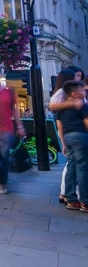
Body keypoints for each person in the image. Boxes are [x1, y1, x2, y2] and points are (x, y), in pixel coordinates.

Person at [0, 64, 25, 197]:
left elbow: (13, 109)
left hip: (5, 129)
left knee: (3, 157)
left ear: (0, 74)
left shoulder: (8, 91)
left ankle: (2, 182)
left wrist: (19, 126)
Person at [55, 81, 88, 212]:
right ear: (74, 94)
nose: (84, 92)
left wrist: (63, 143)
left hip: (68, 137)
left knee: (71, 168)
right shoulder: (81, 105)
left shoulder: (61, 107)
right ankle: (85, 202)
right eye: (82, 90)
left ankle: (71, 199)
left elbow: (60, 126)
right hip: (80, 136)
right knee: (83, 169)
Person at [49, 68, 79, 203]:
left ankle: (68, 192)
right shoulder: (63, 92)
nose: (78, 79)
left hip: (70, 129)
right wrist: (72, 103)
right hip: (70, 129)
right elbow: (52, 106)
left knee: (72, 164)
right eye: (76, 77)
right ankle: (69, 193)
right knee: (73, 164)